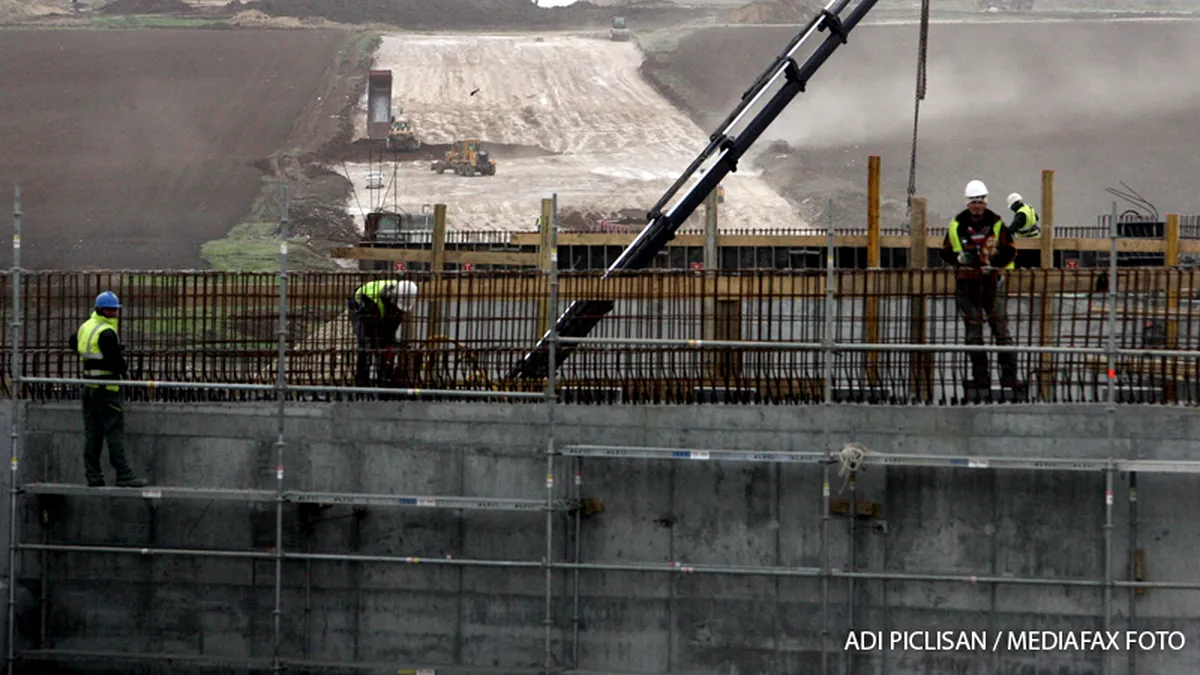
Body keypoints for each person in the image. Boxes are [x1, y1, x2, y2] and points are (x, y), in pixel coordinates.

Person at [940, 180, 1022, 392]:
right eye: (973, 202)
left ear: (985, 202)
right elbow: (945, 252)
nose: (977, 206)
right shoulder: (956, 226)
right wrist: (959, 259)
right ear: (968, 203)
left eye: (980, 202)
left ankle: (1008, 376)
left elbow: (1010, 251)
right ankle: (980, 378)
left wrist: (993, 264)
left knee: (1001, 331)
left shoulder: (996, 225)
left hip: (992, 284)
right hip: (967, 286)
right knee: (974, 334)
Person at [70, 291, 148, 488]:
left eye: (115, 309)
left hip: (89, 388)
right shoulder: (106, 332)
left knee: (92, 434)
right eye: (111, 310)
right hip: (107, 390)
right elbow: (116, 363)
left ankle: (93, 476)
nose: (114, 313)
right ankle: (123, 475)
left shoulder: (86, 326)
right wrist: (122, 366)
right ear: (102, 310)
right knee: (114, 433)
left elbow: (74, 343)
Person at [350, 280, 418, 387]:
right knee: (366, 344)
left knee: (387, 344)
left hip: (379, 311)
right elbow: (373, 330)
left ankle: (384, 378)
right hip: (363, 310)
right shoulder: (373, 301)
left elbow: (391, 328)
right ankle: (362, 381)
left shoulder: (402, 292)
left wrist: (388, 345)